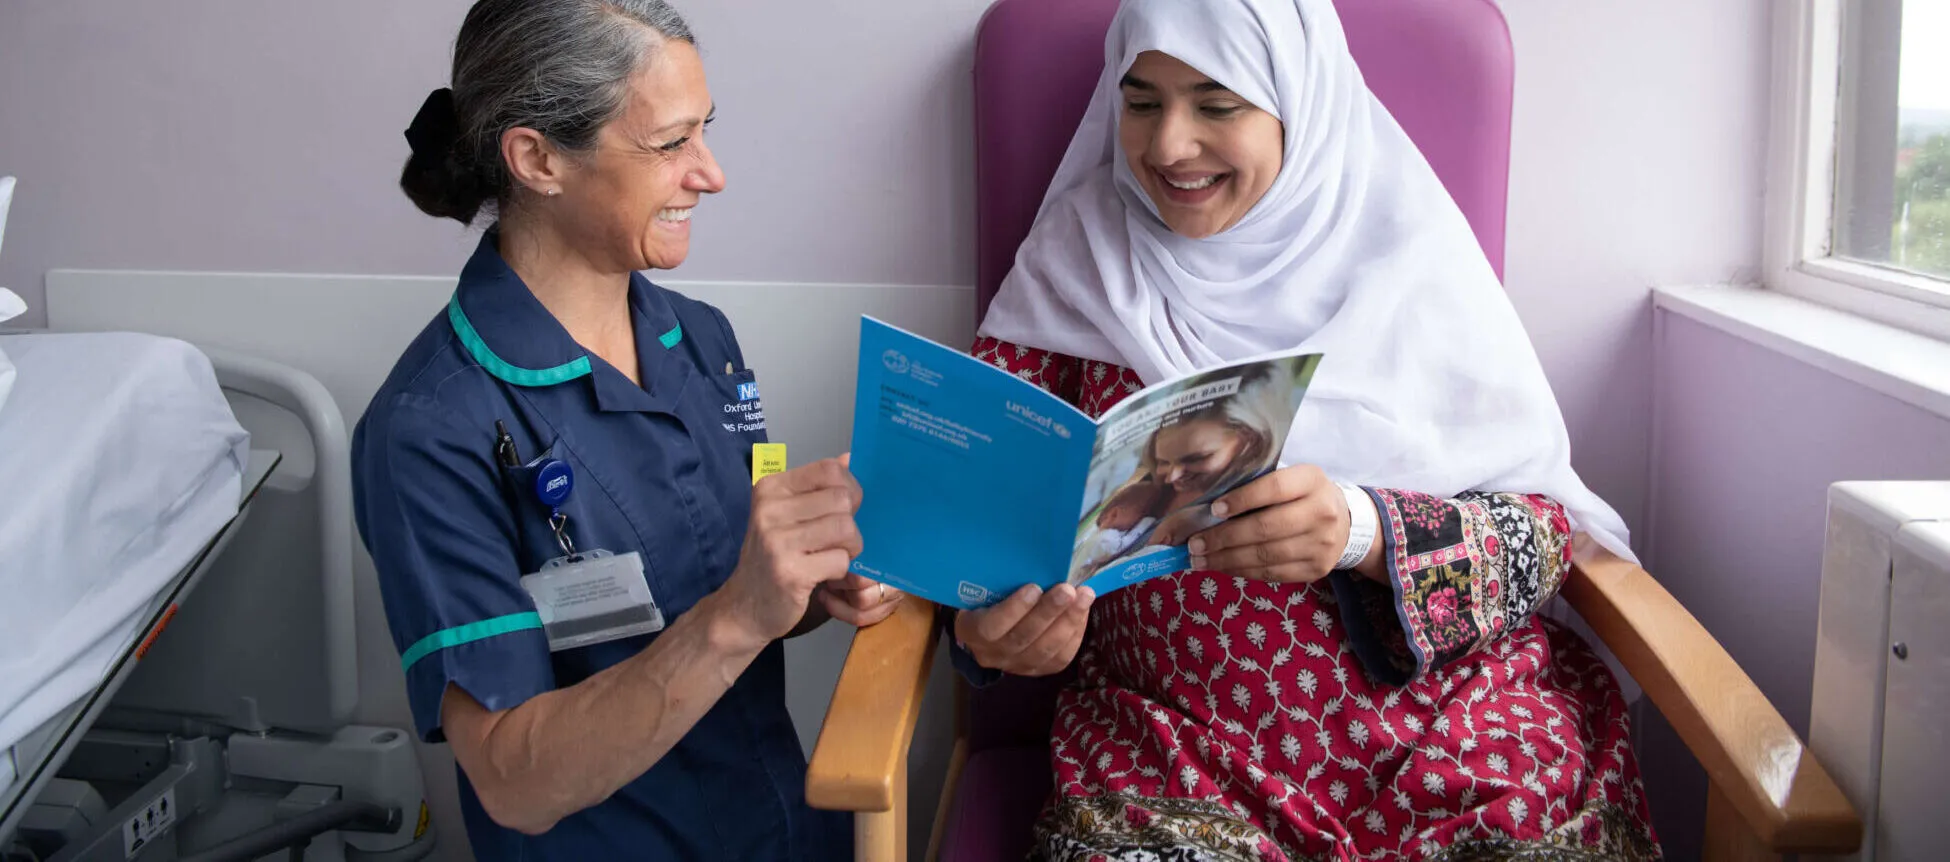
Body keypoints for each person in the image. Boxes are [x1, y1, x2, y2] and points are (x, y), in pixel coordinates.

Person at [951, 0, 1659, 858]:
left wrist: (1363, 531)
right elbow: (973, 524)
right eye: (1141, 102)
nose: (1170, 146)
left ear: (1302, 103)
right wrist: (988, 635)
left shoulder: (1412, 261)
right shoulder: (1078, 259)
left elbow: (1545, 543)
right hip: (1176, 755)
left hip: (1463, 730)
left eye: (1217, 105)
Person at [350, 2, 901, 859]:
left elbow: (749, 579)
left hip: (788, 831)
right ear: (537, 159)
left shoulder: (705, 340)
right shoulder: (428, 431)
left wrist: (811, 585)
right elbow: (512, 781)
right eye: (670, 143)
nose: (710, 175)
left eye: (704, 132)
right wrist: (740, 615)